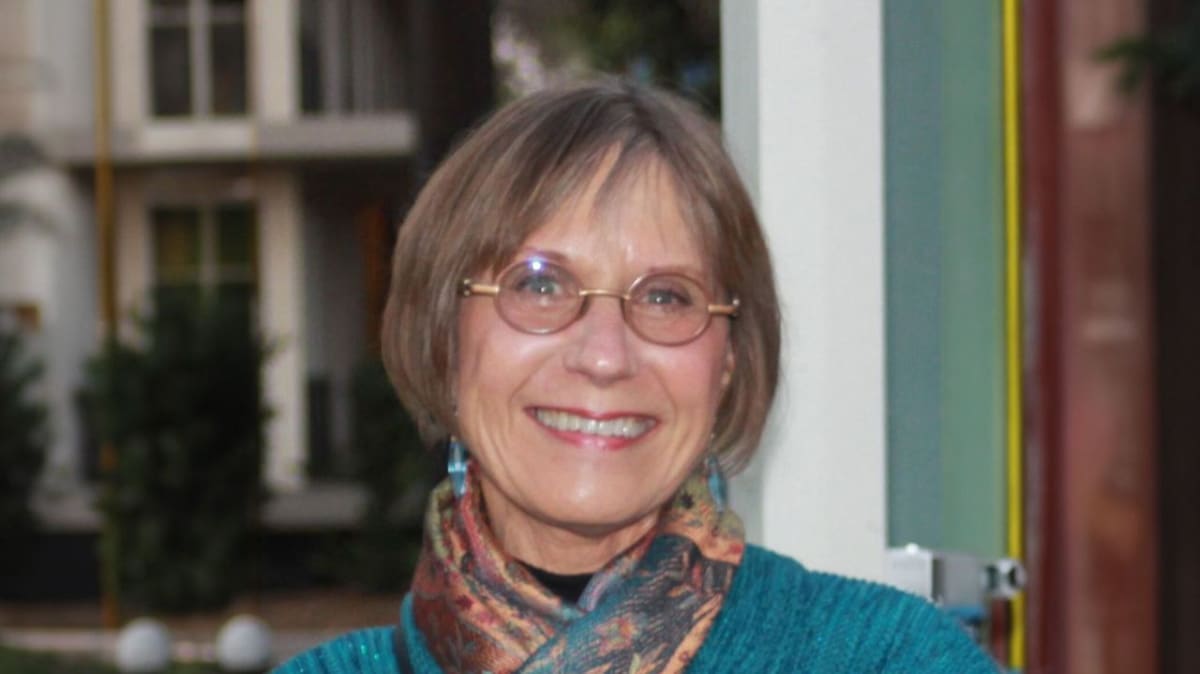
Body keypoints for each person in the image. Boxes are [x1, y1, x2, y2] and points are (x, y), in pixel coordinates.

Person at [275, 80, 997, 673]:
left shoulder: (890, 659)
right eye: (540, 284)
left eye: (665, 297)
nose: (604, 356)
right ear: (444, 338)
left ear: (727, 364)